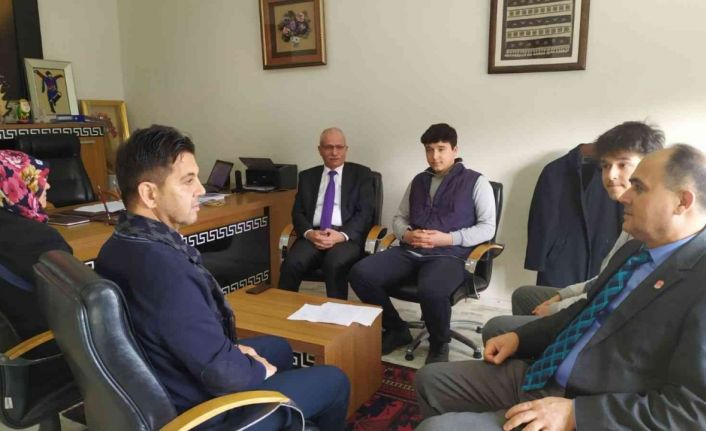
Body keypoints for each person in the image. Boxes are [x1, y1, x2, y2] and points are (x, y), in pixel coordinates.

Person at [415, 144, 706, 430]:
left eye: (639, 188)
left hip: (590, 407)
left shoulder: (699, 283)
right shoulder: (635, 250)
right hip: (545, 375)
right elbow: (584, 311)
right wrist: (520, 338)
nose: (624, 196)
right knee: (429, 380)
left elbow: (692, 412)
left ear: (682, 201)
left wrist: (577, 415)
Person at [96, 125, 349, 430]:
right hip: (203, 413)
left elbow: (183, 337)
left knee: (279, 348)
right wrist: (256, 370)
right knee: (335, 380)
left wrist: (235, 354)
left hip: (169, 375)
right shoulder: (166, 271)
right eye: (188, 181)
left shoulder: (117, 245)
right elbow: (221, 374)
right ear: (149, 193)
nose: (201, 190)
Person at [482, 121, 664, 343]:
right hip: (572, 262)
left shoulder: (648, 228)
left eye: (623, 164)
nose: (611, 175)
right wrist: (562, 294)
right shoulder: (557, 171)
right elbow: (604, 279)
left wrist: (556, 309)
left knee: (497, 328)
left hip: (606, 322)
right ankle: (533, 353)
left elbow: (611, 294)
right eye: (606, 166)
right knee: (524, 295)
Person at [349, 123, 496, 364]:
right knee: (360, 273)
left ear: (455, 150)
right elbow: (399, 218)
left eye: (441, 149)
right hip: (410, 251)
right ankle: (396, 329)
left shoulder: (476, 182)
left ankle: (439, 343)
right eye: (429, 150)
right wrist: (406, 235)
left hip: (449, 255)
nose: (434, 156)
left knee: (432, 289)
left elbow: (488, 227)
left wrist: (448, 238)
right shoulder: (418, 181)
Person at [279, 127, 375, 299]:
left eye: (339, 147)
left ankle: (336, 313)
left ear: (346, 149)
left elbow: (365, 213)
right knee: (292, 264)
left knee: (334, 264)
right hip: (314, 235)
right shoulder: (307, 177)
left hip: (345, 237)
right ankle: (283, 311)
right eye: (329, 147)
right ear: (320, 150)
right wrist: (309, 233)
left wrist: (341, 236)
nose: (334, 152)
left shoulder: (362, 174)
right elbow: (298, 212)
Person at [0, 149, 72, 340]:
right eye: (37, 180)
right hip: (46, 342)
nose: (47, 185)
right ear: (16, 187)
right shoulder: (41, 239)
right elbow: (75, 300)